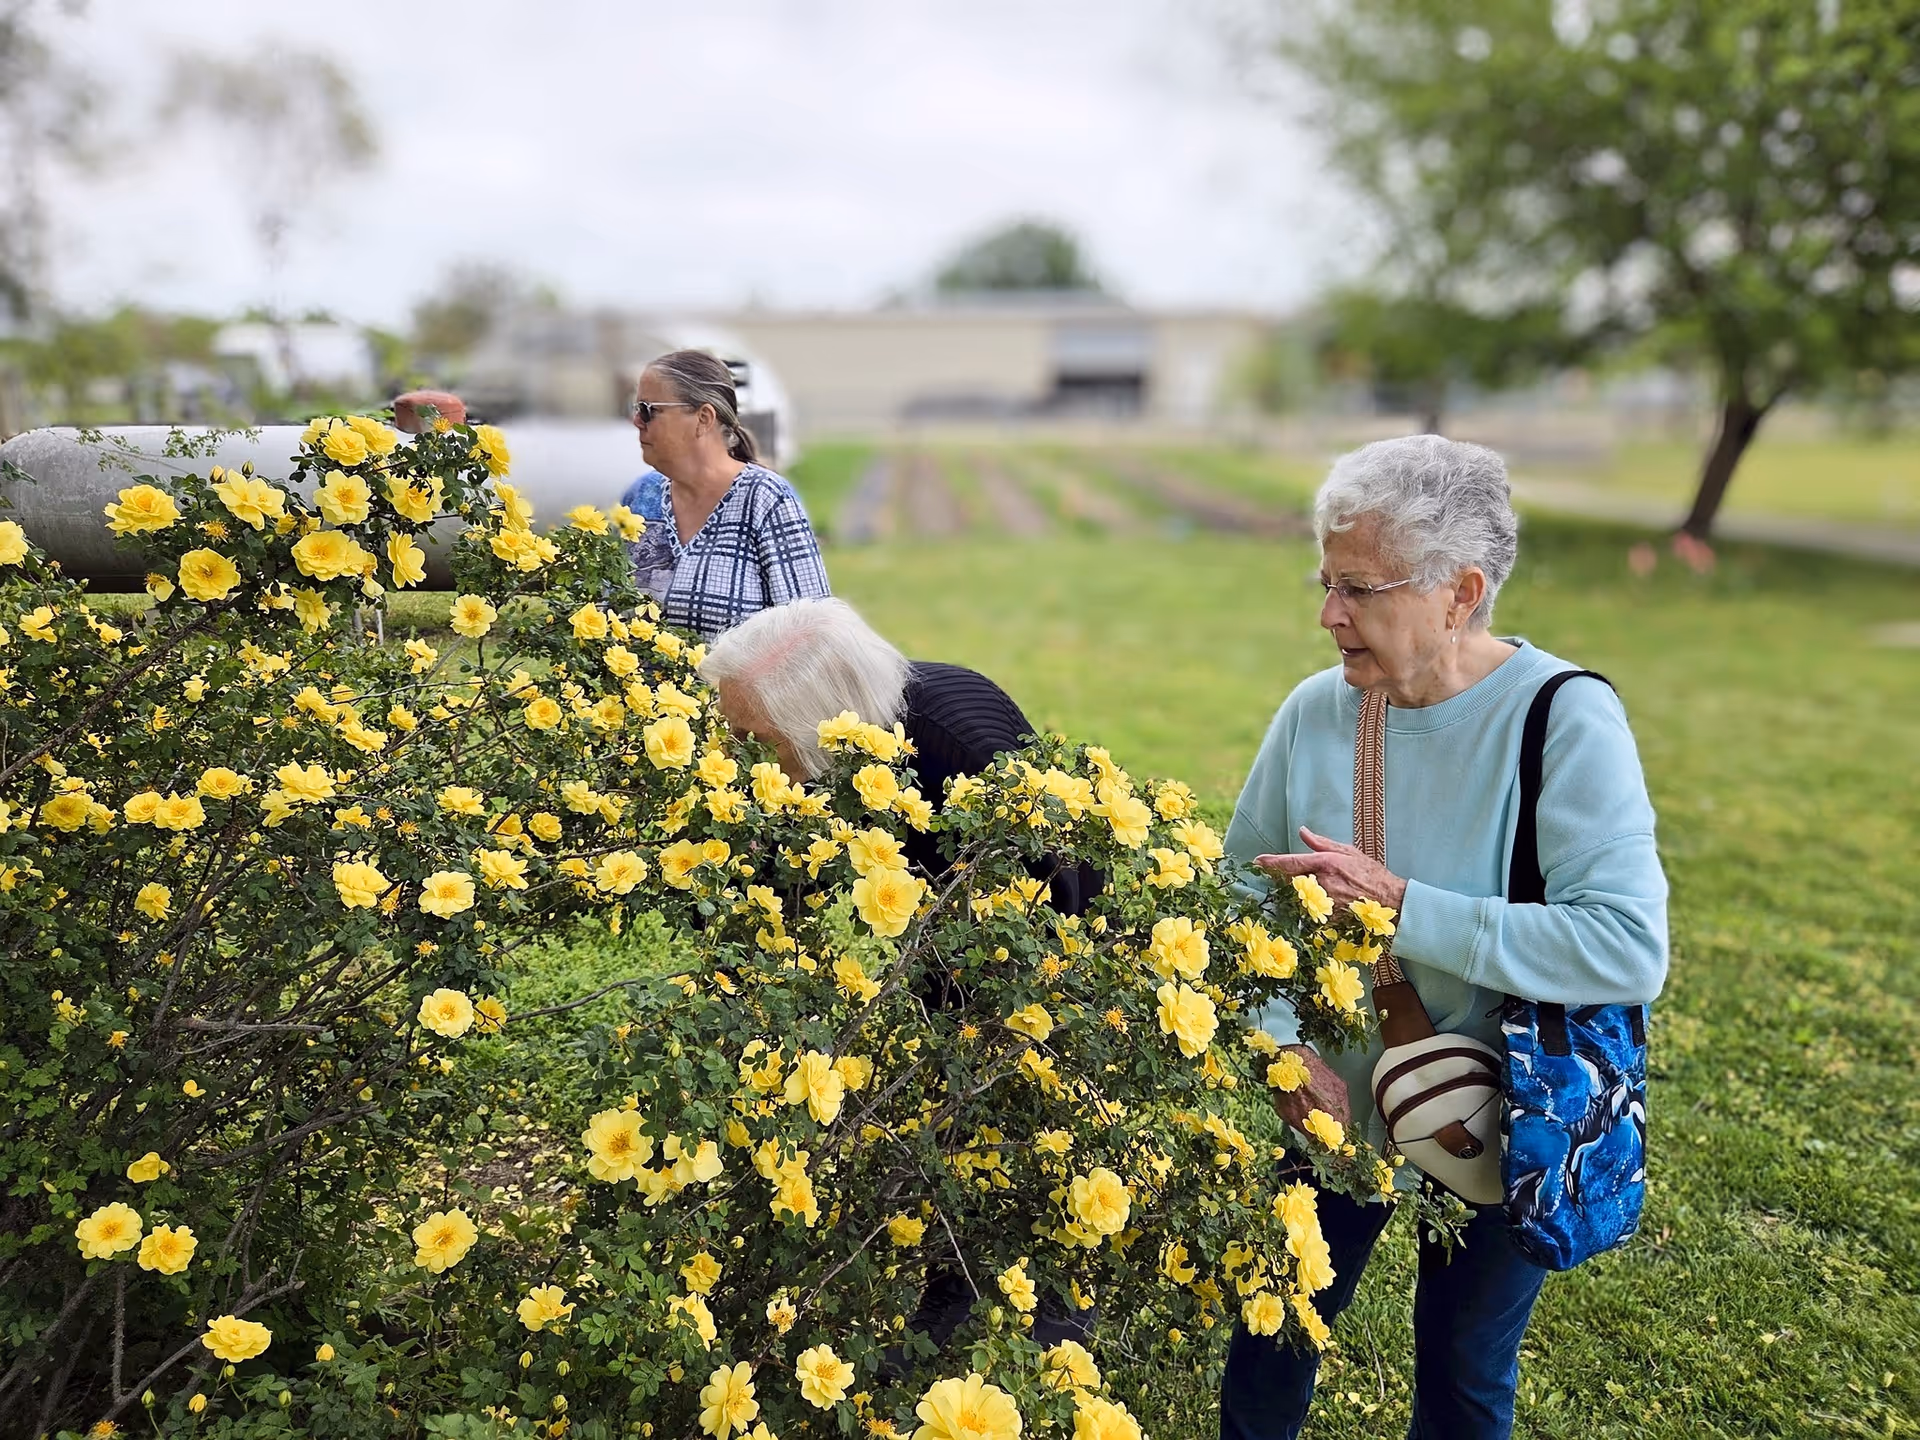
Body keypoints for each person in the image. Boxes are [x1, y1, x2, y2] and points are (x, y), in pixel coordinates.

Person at [1219, 435, 1669, 1440]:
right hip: (1335, 1100)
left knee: (1464, 1379)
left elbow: (1627, 947)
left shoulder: (1564, 719)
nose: (1329, 615)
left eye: (1360, 589)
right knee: (1271, 1337)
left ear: (1461, 594)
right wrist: (1281, 1043)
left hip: (1504, 1107)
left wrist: (1401, 904)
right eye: (1324, 582)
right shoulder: (1315, 713)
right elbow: (1236, 903)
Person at [698, 597, 1099, 1359]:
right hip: (953, 950)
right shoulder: (855, 745)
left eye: (752, 735)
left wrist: (995, 1030)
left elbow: (1060, 895)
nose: (744, 752)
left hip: (1044, 969)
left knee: (1025, 1140)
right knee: (960, 1128)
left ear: (818, 716)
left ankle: (1051, 1332)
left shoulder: (958, 749)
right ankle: (956, 1283)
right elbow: (805, 861)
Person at [625, 350, 829, 640]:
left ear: (703, 418)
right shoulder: (640, 496)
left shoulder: (767, 499)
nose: (636, 420)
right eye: (635, 408)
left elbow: (813, 632)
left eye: (649, 409)